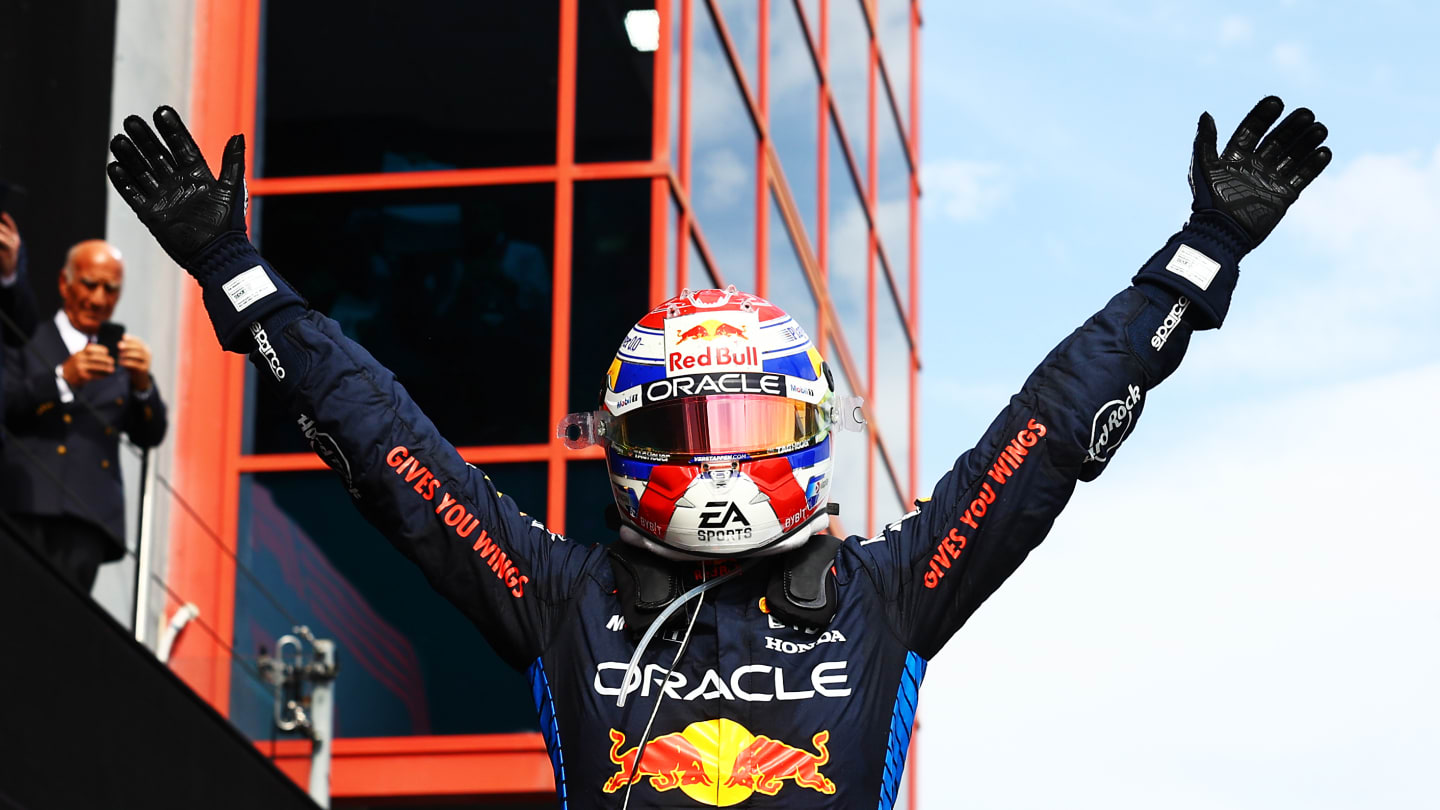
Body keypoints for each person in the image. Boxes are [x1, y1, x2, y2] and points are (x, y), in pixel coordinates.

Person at [107, 99, 1329, 808]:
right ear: (629, 445)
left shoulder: (886, 595)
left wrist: (1202, 250)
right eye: (690, 430)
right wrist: (238, 277)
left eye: (747, 426)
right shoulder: (558, 597)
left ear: (804, 432)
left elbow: (1051, 432)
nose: (723, 461)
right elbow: (388, 451)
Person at [0, 239, 168, 592]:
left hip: (86, 514)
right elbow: (8, 402)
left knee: (63, 626)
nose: (98, 299)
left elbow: (150, 434)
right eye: (90, 284)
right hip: (23, 501)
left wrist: (142, 384)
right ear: (65, 283)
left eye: (111, 289)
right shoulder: (25, 337)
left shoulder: (121, 363)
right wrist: (61, 379)